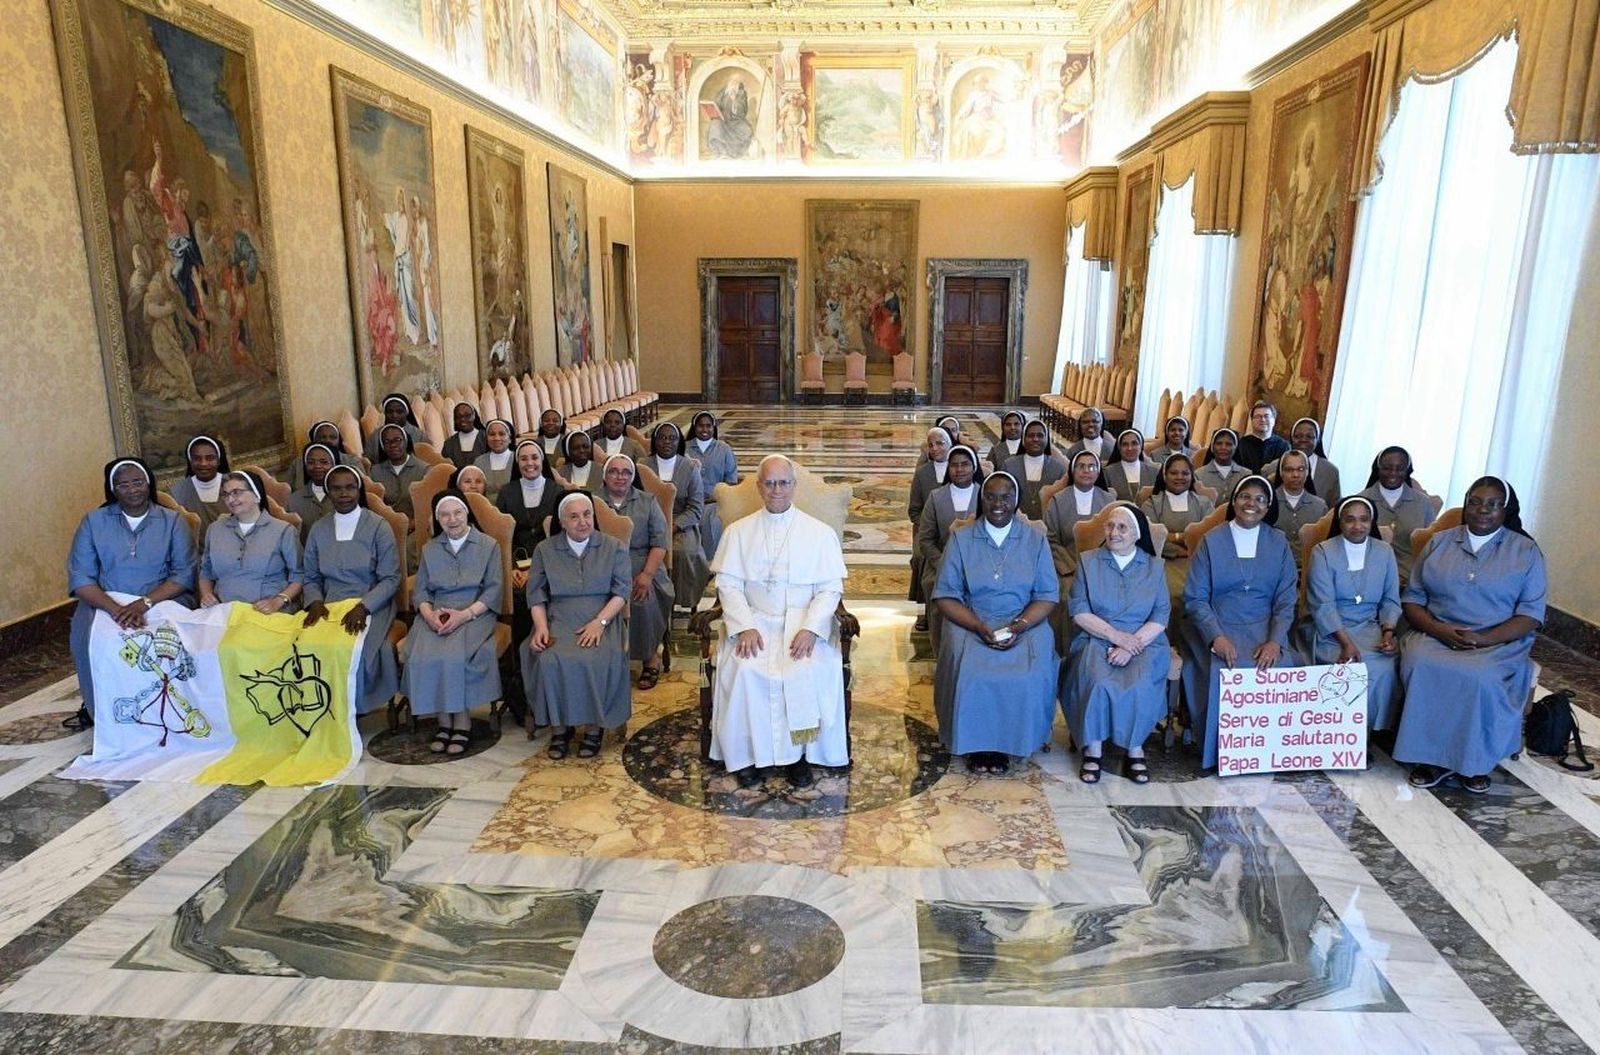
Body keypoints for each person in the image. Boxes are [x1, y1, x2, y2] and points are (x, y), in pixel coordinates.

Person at [1394, 478, 1545, 793]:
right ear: (1466, 503)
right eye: (1475, 502)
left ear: (1505, 510)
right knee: (1421, 663)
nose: (1482, 511)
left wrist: (1486, 639)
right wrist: (1438, 629)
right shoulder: (1440, 543)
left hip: (1497, 642)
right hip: (1436, 632)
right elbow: (1413, 599)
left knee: (1480, 676)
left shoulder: (1526, 551)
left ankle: (1473, 762)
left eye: (1492, 504)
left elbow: (1531, 614)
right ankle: (1428, 759)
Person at [708, 454, 849, 788]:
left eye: (783, 483)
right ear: (758, 487)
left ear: (794, 486)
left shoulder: (820, 534)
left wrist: (812, 629)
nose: (776, 490)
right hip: (754, 621)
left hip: (803, 623)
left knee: (804, 668)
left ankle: (799, 757)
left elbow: (830, 588)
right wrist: (743, 625)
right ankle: (748, 757)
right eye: (769, 483)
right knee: (745, 670)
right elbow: (727, 584)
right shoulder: (738, 533)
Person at [931, 472, 1059, 775]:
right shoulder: (961, 539)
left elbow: (1047, 595)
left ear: (1016, 500)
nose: (998, 503)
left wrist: (1021, 624)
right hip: (972, 621)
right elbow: (946, 595)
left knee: (1026, 673)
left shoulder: (1035, 539)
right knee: (973, 672)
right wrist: (976, 625)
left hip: (1022, 621)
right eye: (990, 496)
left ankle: (1014, 741)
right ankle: (977, 745)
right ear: (981, 499)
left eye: (1005, 497)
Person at [66, 458, 198, 730]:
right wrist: (116, 609)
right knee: (87, 640)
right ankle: (101, 713)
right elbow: (81, 579)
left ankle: (171, 712)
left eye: (138, 482)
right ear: (113, 489)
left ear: (148, 483)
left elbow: (184, 575)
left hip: (162, 599)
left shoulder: (172, 521)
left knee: (168, 644)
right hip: (104, 603)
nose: (132, 489)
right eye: (123, 484)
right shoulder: (93, 521)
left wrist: (144, 603)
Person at [1181, 475, 1299, 770]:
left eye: (1260, 499)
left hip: (1264, 625)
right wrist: (1215, 637)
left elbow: (1286, 599)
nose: (1252, 504)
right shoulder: (1212, 540)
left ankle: (1265, 752)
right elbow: (1195, 598)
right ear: (1233, 501)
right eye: (1245, 496)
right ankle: (1222, 754)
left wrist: (1275, 641)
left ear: (1268, 506)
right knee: (1224, 669)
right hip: (1217, 623)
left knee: (1281, 665)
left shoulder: (1279, 542)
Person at [1061, 503, 1170, 785]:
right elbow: (1079, 610)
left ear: (1137, 534)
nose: (1114, 532)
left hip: (1144, 641)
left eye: (1122, 527)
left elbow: (1161, 615)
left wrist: (1130, 644)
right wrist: (1115, 637)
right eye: (1110, 526)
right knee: (1097, 681)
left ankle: (1135, 749)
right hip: (1097, 636)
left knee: (1140, 682)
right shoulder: (1088, 562)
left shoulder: (1154, 567)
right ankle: (1093, 748)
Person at [523, 491, 632, 759]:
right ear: (562, 522)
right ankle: (560, 729)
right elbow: (536, 594)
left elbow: (621, 592)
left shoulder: (613, 546)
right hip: (558, 617)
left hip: (602, 615)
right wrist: (540, 627)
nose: (583, 522)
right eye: (574, 517)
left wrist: (600, 622)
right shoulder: (544, 550)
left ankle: (594, 728)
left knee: (595, 658)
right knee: (548, 658)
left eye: (587, 515)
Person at [401, 491, 504, 755]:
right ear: (438, 519)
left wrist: (465, 615)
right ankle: (443, 722)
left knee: (452, 656)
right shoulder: (430, 548)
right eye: (444, 515)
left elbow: (493, 591)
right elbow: (421, 591)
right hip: (437, 613)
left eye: (457, 513)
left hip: (475, 612)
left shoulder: (488, 545)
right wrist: (429, 615)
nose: (452, 519)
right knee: (422, 655)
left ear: (467, 513)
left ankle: (462, 722)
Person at [302, 465, 401, 715]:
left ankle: (354, 710)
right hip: (330, 602)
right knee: (310, 645)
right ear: (328, 492)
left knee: (352, 647)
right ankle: (325, 710)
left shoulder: (379, 526)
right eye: (336, 489)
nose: (343, 494)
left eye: (349, 487)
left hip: (372, 602)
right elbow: (311, 576)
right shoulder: (318, 529)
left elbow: (390, 578)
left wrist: (363, 607)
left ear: (359, 490)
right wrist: (314, 601)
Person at [1302, 496, 1402, 733]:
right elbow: (1322, 605)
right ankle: (1339, 729)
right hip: (1331, 630)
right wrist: (1346, 643)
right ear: (1340, 522)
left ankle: (1369, 730)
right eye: (1350, 520)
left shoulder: (1384, 552)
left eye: (1364, 520)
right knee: (1351, 664)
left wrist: (1388, 632)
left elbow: (1390, 599)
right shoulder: (1323, 552)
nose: (1357, 526)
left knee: (1385, 664)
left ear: (1372, 522)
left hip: (1370, 626)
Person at [495, 440, 565, 722]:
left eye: (534, 458)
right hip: (515, 567)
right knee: (519, 598)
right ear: (517, 463)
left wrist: (536, 568)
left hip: (549, 565)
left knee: (540, 597)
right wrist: (512, 566)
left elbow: (561, 536)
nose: (529, 463)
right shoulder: (507, 492)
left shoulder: (556, 491)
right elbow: (500, 535)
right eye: (523, 459)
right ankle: (521, 687)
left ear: (542, 460)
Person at [599, 454, 673, 690]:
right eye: (614, 471)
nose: (620, 477)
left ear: (633, 477)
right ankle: (605, 660)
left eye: (626, 472)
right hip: (602, 566)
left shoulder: (647, 501)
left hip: (642, 562)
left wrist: (647, 574)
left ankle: (650, 657)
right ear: (605, 475)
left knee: (644, 597)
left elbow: (660, 542)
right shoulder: (592, 501)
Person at [198, 471, 302, 613]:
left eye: (236, 492)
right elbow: (206, 572)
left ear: (256, 495)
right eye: (226, 494)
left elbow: (299, 575)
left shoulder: (284, 531)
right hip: (223, 611)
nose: (230, 499)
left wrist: (278, 601)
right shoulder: (215, 529)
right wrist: (206, 594)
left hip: (268, 611)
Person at [914, 444, 984, 652]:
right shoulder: (936, 497)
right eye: (954, 465)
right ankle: (942, 657)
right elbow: (925, 539)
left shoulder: (985, 495)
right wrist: (945, 563)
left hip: (978, 568)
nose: (959, 469)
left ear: (974, 467)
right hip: (939, 568)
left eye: (965, 464)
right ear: (948, 468)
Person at [641, 422, 710, 613]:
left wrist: (674, 526)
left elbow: (696, 507)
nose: (667, 442)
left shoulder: (689, 467)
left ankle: (680, 599)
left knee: (686, 553)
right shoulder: (643, 465)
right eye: (662, 437)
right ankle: (650, 599)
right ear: (655, 441)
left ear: (679, 442)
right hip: (647, 522)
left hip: (681, 522)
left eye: (672, 438)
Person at [1358, 446, 1437, 586]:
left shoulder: (1422, 503)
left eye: (1400, 468)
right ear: (1378, 469)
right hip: (1367, 579)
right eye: (1387, 468)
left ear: (1407, 471)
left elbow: (1431, 546)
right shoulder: (1361, 501)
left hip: (1411, 582)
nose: (1393, 473)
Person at [908, 425, 954, 629]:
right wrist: (928, 527)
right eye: (931, 444)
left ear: (950, 445)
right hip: (928, 533)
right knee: (920, 556)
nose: (935, 448)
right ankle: (927, 609)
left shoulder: (958, 469)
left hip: (956, 532)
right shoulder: (922, 474)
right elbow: (914, 510)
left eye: (940, 443)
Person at [690, 411, 740, 559]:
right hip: (690, 501)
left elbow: (731, 480)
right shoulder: (684, 448)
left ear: (714, 428)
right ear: (694, 427)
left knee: (713, 522)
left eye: (708, 426)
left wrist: (717, 496)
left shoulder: (724, 449)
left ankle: (712, 564)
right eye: (700, 426)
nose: (705, 430)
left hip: (715, 501)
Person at [1262, 417, 1341, 505]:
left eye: (1309, 436)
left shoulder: (1331, 471)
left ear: (1318, 440)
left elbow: (1334, 507)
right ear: (1291, 439)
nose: (1303, 440)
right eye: (1298, 436)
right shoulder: (1271, 468)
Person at [1272, 450, 1329, 568]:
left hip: (1308, 570)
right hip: (1274, 567)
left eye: (1301, 469)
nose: (1295, 475)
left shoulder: (1320, 506)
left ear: (1308, 472)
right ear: (1281, 472)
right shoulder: (1269, 502)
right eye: (1289, 470)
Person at [1004, 418, 1066, 520]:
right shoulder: (1009, 466)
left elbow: (1062, 504)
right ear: (1023, 440)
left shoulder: (1058, 468)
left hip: (1047, 527)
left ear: (1047, 440)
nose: (1035, 439)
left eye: (1040, 435)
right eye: (1031, 436)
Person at [169, 434, 232, 533]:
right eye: (197, 458)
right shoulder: (177, 493)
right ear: (190, 461)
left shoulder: (235, 486)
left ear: (219, 460)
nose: (203, 463)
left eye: (210, 458)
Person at [374, 423, 429, 524]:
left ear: (406, 442)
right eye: (387, 442)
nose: (393, 445)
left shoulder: (424, 470)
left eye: (398, 440)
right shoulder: (375, 471)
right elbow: (374, 508)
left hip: (417, 527)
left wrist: (412, 524)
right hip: (386, 527)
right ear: (382, 446)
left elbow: (428, 508)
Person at [285, 442, 336, 544]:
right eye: (311, 462)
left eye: (324, 462)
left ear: (334, 464)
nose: (317, 466)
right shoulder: (293, 501)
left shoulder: (345, 495)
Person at [290, 420, 361, 488]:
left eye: (333, 437)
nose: (328, 441)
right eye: (322, 437)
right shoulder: (297, 463)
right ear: (314, 440)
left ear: (339, 440)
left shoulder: (352, 461)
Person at [364, 393, 426, 461]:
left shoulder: (420, 436)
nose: (394, 415)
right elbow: (368, 461)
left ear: (406, 413)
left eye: (399, 412)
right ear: (385, 413)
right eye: (390, 412)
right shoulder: (375, 437)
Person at [1104, 428, 1160, 503]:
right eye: (1125, 444)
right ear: (1119, 448)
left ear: (1141, 446)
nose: (1130, 448)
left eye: (1134, 443)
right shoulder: (1108, 472)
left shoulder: (1154, 472)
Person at [1195, 428, 1247, 502]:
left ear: (1235, 448)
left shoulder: (1246, 475)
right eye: (1219, 443)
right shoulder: (1198, 475)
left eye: (1228, 444)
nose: (1223, 447)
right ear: (1212, 447)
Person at [1237, 401, 1290, 472]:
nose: (1262, 419)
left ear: (1274, 420)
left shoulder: (1283, 446)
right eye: (1258, 416)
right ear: (1252, 421)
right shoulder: (1240, 445)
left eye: (1266, 416)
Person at [472, 418, 517, 492]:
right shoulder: (479, 462)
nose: (496, 438)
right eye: (492, 434)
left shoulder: (518, 459)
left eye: (501, 434)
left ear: (510, 439)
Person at [441, 401, 487, 469]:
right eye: (458, 416)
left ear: (474, 416)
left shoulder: (486, 438)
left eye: (467, 415)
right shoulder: (449, 444)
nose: (462, 419)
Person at [535, 409, 567, 475]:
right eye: (546, 421)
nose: (551, 423)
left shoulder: (568, 442)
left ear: (561, 424)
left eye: (555, 421)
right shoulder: (535, 444)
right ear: (541, 424)